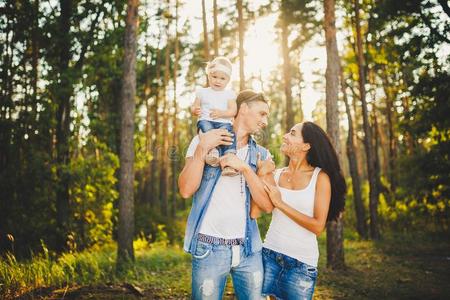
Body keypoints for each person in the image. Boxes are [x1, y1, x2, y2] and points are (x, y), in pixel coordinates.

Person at [179, 90, 274, 299]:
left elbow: (267, 206)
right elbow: (186, 190)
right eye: (262, 113)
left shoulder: (262, 155)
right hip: (208, 248)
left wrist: (247, 169)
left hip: (249, 250)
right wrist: (202, 149)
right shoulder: (202, 141)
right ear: (244, 108)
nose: (265, 121)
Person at [252, 121, 346, 300]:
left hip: (301, 264)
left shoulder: (320, 178)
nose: (285, 136)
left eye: (292, 133)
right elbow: (256, 211)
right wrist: (261, 174)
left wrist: (281, 204)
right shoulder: (277, 174)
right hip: (270, 255)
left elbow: (318, 226)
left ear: (306, 145)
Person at [191, 56, 238, 176]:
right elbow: (194, 106)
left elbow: (233, 111)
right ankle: (213, 152)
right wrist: (195, 110)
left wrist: (222, 113)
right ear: (208, 76)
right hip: (206, 120)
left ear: (228, 80)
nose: (218, 81)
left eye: (222, 78)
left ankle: (229, 161)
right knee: (206, 130)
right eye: (214, 77)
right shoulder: (202, 92)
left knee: (229, 135)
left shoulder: (229, 94)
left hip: (224, 122)